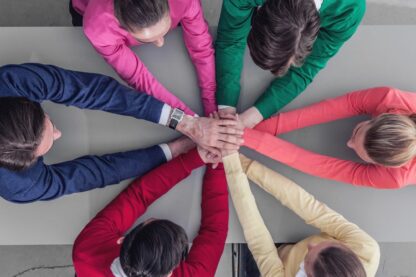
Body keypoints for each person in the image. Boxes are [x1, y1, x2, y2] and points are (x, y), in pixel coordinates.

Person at [0, 63, 242, 203]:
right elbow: (94, 174)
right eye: (43, 148)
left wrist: (186, 124)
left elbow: (94, 92)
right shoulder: (19, 185)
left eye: (48, 123)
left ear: (22, 101)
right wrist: (175, 149)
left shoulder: (10, 83)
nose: (59, 133)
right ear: (25, 166)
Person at [72, 147, 228, 277]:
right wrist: (216, 164)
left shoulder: (87, 252)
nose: (151, 218)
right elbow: (214, 230)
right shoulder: (83, 255)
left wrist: (197, 158)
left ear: (121, 240)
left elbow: (138, 196)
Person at [223, 152, 380, 277]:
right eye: (323, 244)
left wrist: (231, 165)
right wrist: (242, 162)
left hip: (274, 263)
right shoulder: (366, 249)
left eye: (308, 256)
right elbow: (306, 205)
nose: (311, 245)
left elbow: (260, 245)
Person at [215, 0, 365, 127]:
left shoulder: (350, 10)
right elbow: (231, 40)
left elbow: (307, 69)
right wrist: (226, 106)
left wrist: (255, 115)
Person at [243, 86, 416, 189]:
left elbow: (320, 166)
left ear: (382, 166)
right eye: (356, 134)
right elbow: (341, 106)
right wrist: (238, 132)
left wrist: (242, 135)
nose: (349, 144)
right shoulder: (390, 99)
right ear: (380, 117)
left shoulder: (394, 177)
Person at [71, 0, 217, 116]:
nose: (160, 44)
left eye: (163, 31)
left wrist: (211, 105)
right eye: (147, 40)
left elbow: (201, 47)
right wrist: (190, 121)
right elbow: (139, 78)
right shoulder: (99, 27)